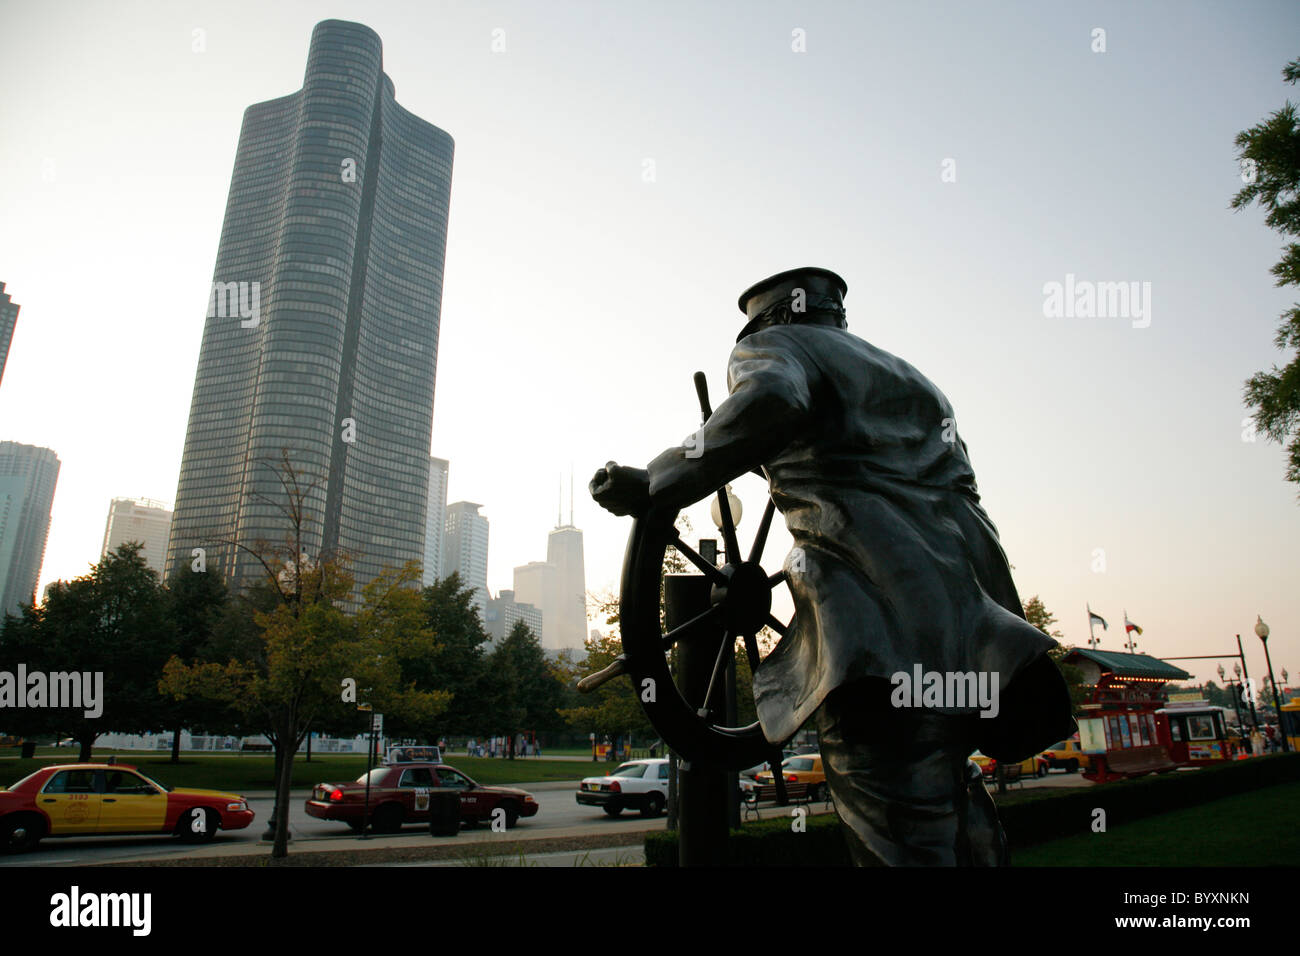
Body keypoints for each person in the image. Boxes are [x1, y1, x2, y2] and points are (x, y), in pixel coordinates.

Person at [591, 267, 1074, 866]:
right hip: (976, 631)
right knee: (953, 794)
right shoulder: (914, 382)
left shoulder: (775, 348)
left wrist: (657, 479)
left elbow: (771, 402)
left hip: (875, 639)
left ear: (766, 320)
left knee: (899, 828)